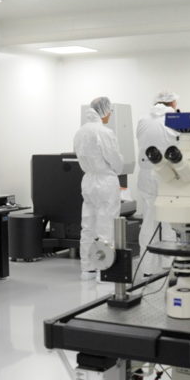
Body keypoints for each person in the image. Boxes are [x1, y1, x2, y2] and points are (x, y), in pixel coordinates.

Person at [74, 96, 124, 279]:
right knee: (106, 226)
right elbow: (115, 160)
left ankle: (87, 269)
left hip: (88, 181)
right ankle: (103, 271)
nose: (110, 115)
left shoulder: (80, 132)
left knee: (88, 225)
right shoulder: (104, 132)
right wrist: (118, 169)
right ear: (103, 111)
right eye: (109, 111)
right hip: (105, 181)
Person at [135, 90, 179, 275]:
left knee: (148, 221)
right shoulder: (175, 119)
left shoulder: (143, 119)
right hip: (166, 174)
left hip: (146, 174)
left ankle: (147, 267)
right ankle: (168, 265)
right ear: (172, 103)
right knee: (169, 221)